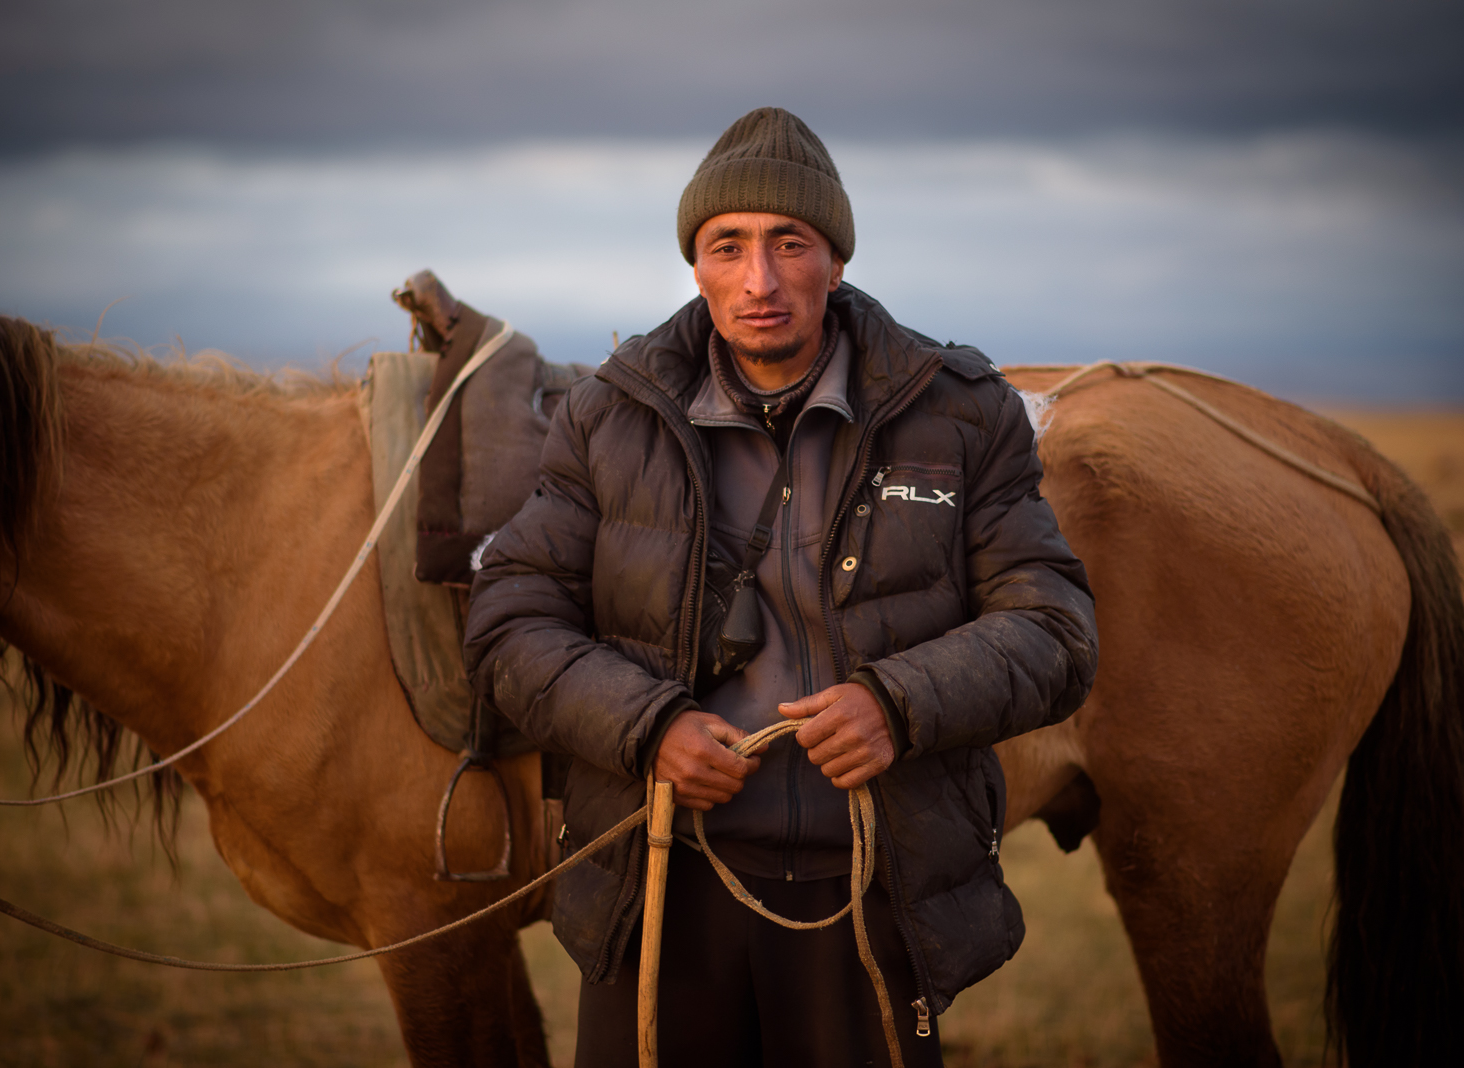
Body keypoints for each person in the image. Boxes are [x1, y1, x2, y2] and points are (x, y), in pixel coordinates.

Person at [464, 106, 1099, 1067]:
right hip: (662, 884)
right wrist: (647, 727)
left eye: (788, 244)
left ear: (835, 261)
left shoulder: (961, 415)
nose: (758, 280)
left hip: (876, 891)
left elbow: (1055, 628)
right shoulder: (610, 416)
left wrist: (898, 704)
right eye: (729, 246)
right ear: (696, 265)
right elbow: (510, 619)